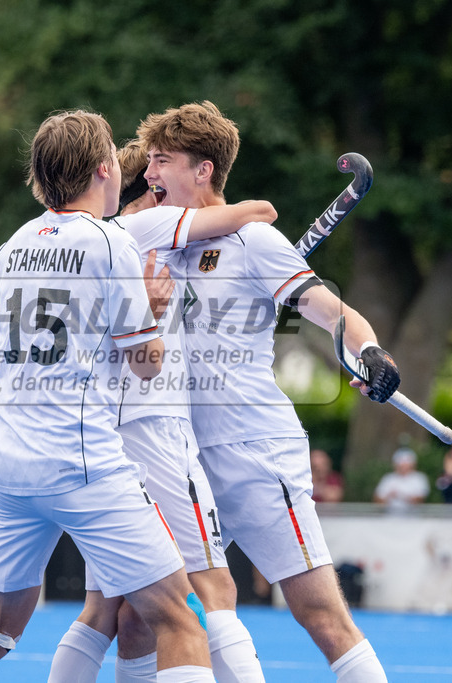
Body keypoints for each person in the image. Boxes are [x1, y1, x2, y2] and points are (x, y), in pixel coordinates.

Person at [0, 109, 215, 683]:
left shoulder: (13, 244)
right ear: (104, 169)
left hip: (11, 466)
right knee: (179, 617)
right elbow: (145, 365)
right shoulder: (111, 243)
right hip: (80, 460)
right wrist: (153, 313)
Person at [142, 101, 397, 681]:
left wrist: (372, 353)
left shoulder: (254, 240)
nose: (150, 173)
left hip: (253, 450)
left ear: (203, 170)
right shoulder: (157, 240)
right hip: (181, 456)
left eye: (162, 161)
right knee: (170, 609)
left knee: (320, 615)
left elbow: (331, 312)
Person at [49, 139, 276, 682]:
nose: (160, 183)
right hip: (154, 429)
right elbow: (258, 211)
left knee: (113, 610)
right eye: (153, 178)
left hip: (105, 433)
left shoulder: (81, 241)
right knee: (214, 587)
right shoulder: (140, 227)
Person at [373, 447, 430, 512]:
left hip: (413, 519)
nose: (403, 466)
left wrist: (403, 496)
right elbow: (377, 500)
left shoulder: (419, 478)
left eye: (406, 463)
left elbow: (420, 499)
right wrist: (389, 496)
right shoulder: (388, 478)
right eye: (401, 463)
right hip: (390, 518)